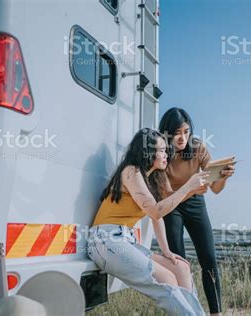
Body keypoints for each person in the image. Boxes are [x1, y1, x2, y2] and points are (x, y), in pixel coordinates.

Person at [87, 128, 209, 315]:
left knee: (181, 268)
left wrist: (167, 251)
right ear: (147, 152)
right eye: (161, 150)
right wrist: (188, 187)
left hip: (125, 241)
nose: (166, 154)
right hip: (105, 240)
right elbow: (155, 210)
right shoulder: (131, 172)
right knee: (166, 278)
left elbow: (155, 216)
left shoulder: (149, 179)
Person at [159, 108, 235, 316]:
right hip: (172, 204)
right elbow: (166, 193)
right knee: (179, 262)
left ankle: (215, 312)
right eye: (177, 133)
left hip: (195, 203)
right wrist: (190, 188)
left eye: (186, 131)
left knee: (209, 258)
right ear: (167, 134)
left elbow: (215, 189)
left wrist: (224, 177)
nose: (182, 137)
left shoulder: (199, 148)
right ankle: (186, 310)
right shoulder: (161, 153)